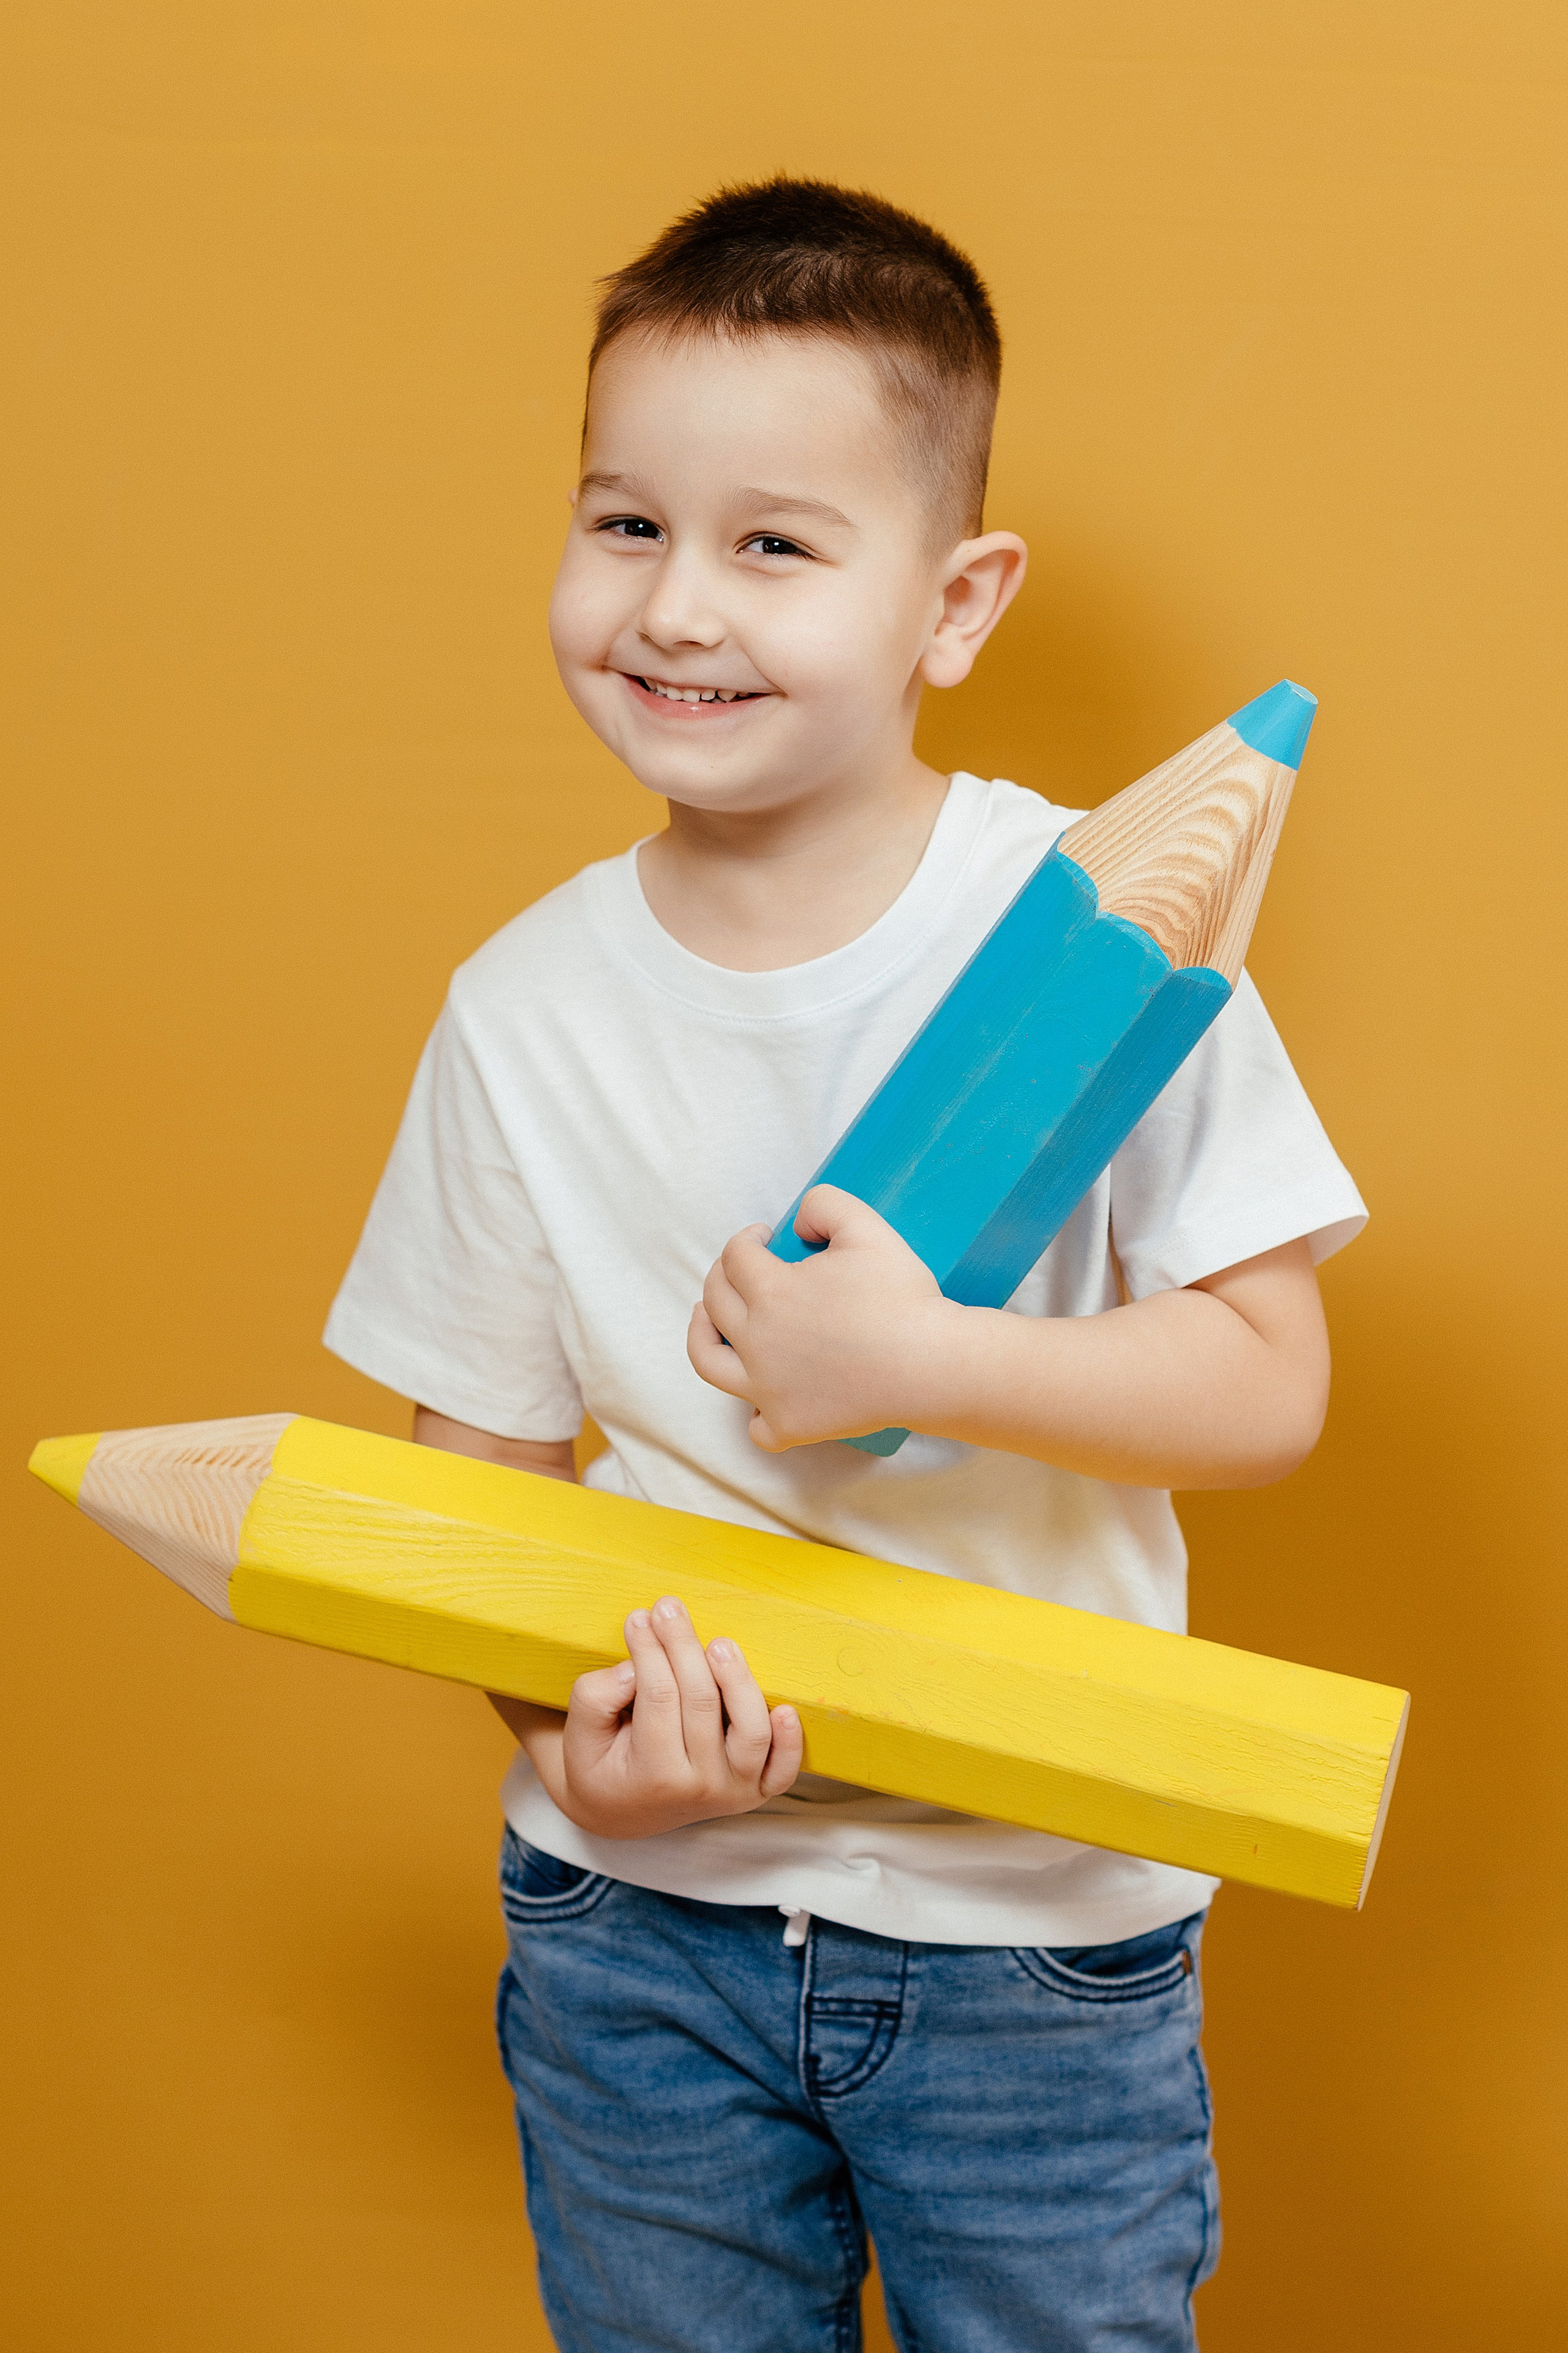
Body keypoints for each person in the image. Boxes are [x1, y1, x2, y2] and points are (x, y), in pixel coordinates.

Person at [324, 178, 1365, 2353]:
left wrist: (925, 1352)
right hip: (637, 1940)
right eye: (626, 524)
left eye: (775, 545)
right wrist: (581, 1745)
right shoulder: (519, 1008)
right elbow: (473, 1491)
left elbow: (1271, 1382)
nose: (678, 606)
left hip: (1036, 1934)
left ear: (955, 601)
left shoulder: (1104, 926)